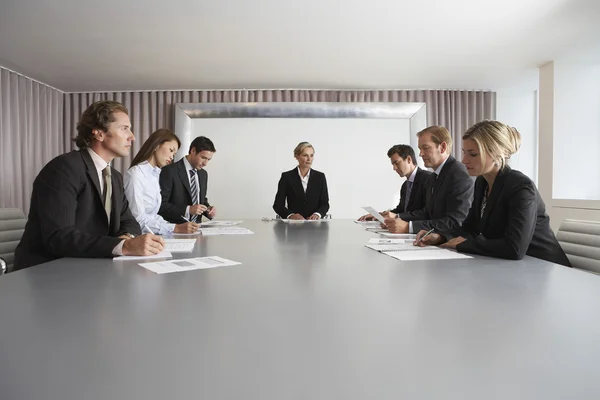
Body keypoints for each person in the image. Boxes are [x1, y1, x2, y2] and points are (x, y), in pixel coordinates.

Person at [14, 101, 165, 270]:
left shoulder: (114, 176)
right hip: (47, 270)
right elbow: (59, 237)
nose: (132, 136)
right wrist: (125, 246)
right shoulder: (64, 169)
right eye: (124, 128)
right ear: (99, 133)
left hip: (88, 265)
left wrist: (126, 238)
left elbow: (129, 221)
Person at [415, 120, 571, 266]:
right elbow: (470, 227)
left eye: (473, 154)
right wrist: (441, 237)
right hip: (512, 267)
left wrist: (464, 244)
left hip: (544, 266)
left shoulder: (521, 187)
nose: (464, 160)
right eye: (464, 152)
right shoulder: (482, 183)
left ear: (497, 154)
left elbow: (514, 248)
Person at [384, 126, 473, 233]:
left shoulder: (458, 174)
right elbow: (427, 213)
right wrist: (396, 220)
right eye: (420, 149)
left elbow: (456, 222)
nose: (420, 154)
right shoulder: (433, 177)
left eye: (425, 148)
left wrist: (409, 227)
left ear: (442, 147)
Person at [124, 129, 200, 234]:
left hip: (152, 236)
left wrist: (176, 226)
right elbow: (138, 220)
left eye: (174, 154)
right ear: (156, 145)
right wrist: (175, 228)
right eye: (171, 150)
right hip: (140, 239)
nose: (172, 157)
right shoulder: (135, 174)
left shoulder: (155, 174)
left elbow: (154, 216)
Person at [358, 144, 432, 221]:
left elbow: (426, 213)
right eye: (393, 164)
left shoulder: (428, 178)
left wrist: (397, 216)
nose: (394, 168)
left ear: (409, 159)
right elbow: (401, 210)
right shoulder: (406, 185)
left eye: (397, 163)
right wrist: (379, 215)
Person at [159, 136, 216, 224]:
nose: (205, 163)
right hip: (175, 229)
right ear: (193, 151)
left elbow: (200, 199)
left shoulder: (203, 174)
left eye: (208, 159)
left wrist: (208, 210)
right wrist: (188, 209)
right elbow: (161, 205)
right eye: (203, 158)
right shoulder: (169, 171)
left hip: (197, 228)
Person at [273, 142, 330, 220]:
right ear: (296, 156)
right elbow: (278, 205)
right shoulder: (287, 177)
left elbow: (325, 204)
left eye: (311, 155)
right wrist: (291, 215)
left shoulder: (320, 177)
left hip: (315, 225)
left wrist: (318, 214)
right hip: (294, 226)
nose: (309, 159)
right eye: (305, 155)